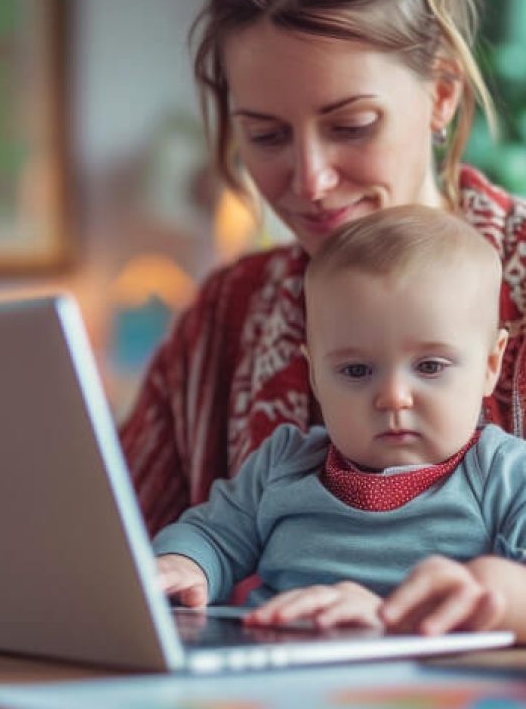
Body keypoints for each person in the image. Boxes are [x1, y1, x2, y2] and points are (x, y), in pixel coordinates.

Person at [0, 0, 526, 612]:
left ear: (443, 95)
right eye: (265, 135)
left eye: (350, 126)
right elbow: (127, 549)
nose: (310, 178)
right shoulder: (223, 318)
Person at [155, 205, 526, 639]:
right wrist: (184, 564)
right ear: (314, 374)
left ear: (490, 365)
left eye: (429, 366)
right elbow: (212, 535)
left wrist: (394, 614)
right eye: (355, 371)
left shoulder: (504, 475)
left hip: (424, 689)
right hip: (276, 673)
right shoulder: (284, 463)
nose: (393, 396)